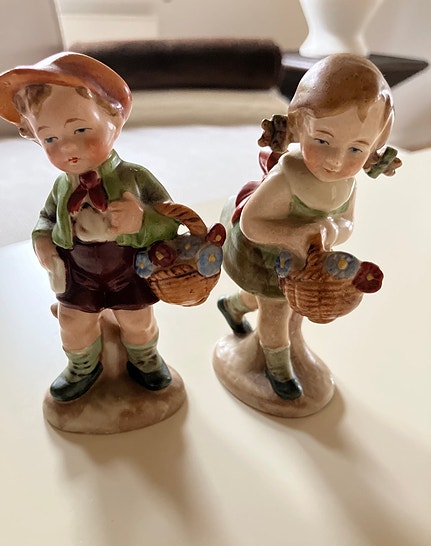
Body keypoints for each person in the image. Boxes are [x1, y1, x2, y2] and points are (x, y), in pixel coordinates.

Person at [217, 53, 401, 401]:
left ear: (373, 148)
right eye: (323, 141)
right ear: (301, 126)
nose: (336, 161)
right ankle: (277, 366)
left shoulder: (347, 183)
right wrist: (293, 235)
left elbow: (347, 221)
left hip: (304, 265)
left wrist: (332, 229)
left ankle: (234, 306)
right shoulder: (287, 178)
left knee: (274, 305)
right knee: (276, 311)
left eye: (356, 149)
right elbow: (253, 223)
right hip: (266, 256)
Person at [0, 52, 180, 402]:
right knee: (72, 323)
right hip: (78, 271)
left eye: (81, 129)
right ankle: (83, 366)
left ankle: (145, 358)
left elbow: (173, 219)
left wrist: (142, 219)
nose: (67, 146)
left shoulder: (135, 177)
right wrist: (43, 242)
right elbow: (45, 219)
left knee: (138, 321)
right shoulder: (62, 186)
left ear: (113, 119)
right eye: (49, 139)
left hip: (128, 268)